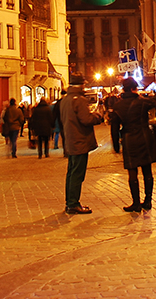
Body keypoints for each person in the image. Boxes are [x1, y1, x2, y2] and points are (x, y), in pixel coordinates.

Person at [111, 78, 156, 212]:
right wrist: (149, 94)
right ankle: (148, 200)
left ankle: (135, 203)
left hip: (129, 139)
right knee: (147, 171)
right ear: (134, 89)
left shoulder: (118, 106)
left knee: (132, 171)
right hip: (145, 137)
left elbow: (114, 127)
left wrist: (116, 146)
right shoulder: (142, 102)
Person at [60, 75, 105, 214]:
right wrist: (97, 116)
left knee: (71, 173)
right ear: (81, 85)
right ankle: (73, 203)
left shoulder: (65, 100)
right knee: (77, 174)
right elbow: (86, 119)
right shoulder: (79, 100)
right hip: (79, 140)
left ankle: (69, 202)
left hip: (71, 140)